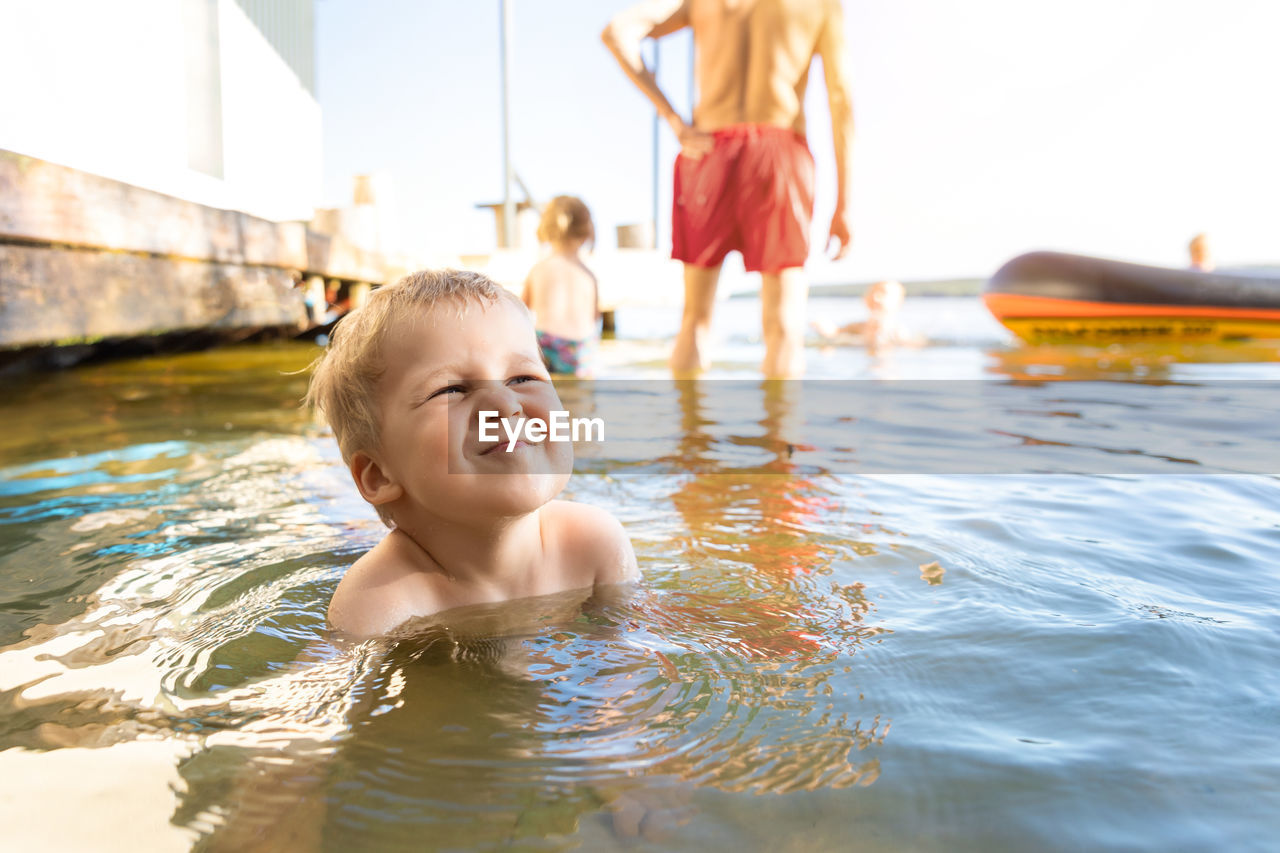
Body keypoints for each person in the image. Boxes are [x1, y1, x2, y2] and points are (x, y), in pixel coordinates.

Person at [305, 268, 638, 638]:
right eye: (452, 389)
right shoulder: (381, 598)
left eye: (522, 378)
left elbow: (629, 662)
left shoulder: (594, 545)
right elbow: (324, 683)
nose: (504, 402)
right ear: (379, 475)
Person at [602, 0, 855, 378]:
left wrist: (673, 118)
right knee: (784, 326)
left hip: (707, 151)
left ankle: (692, 438)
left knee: (695, 320)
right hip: (779, 153)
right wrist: (844, 204)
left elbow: (617, 32)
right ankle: (779, 437)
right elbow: (840, 100)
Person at [521, 196, 602, 376]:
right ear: (586, 232)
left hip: (548, 346)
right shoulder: (589, 276)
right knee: (581, 398)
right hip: (581, 349)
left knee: (547, 398)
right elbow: (595, 317)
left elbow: (520, 310)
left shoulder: (539, 269)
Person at [811, 279, 923, 351]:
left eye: (883, 293)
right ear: (865, 300)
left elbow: (909, 345)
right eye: (873, 293)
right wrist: (822, 328)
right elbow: (834, 334)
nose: (876, 297)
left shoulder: (898, 330)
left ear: (899, 302)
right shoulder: (857, 326)